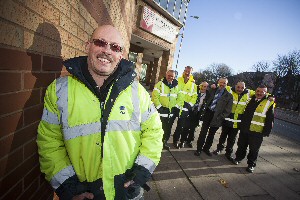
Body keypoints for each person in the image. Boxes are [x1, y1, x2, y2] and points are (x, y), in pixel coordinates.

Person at [37, 25, 163, 200]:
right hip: (83, 193)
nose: (107, 51)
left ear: (121, 55)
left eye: (115, 47)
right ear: (88, 45)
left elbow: (154, 132)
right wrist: (70, 187)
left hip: (126, 192)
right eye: (100, 43)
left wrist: (140, 173)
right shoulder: (59, 90)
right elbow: (49, 142)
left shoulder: (138, 92)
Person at [232, 85, 275, 173]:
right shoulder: (250, 99)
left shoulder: (269, 102)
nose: (259, 93)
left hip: (257, 131)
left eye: (262, 92)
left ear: (265, 93)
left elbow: (270, 118)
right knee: (241, 145)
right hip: (245, 128)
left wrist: (266, 131)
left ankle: (251, 164)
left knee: (254, 149)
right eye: (258, 91)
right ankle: (238, 158)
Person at [212, 81, 255, 160]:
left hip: (237, 122)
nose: (240, 89)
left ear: (245, 88)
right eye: (238, 87)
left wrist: (270, 96)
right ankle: (219, 149)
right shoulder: (229, 89)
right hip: (227, 119)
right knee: (223, 136)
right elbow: (221, 84)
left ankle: (228, 153)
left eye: (242, 88)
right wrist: (214, 84)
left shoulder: (249, 93)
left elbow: (262, 93)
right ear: (235, 86)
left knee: (232, 139)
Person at [194, 77, 233, 156]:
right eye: (221, 82)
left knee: (211, 134)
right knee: (203, 133)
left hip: (217, 117)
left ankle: (206, 149)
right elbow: (203, 88)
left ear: (226, 84)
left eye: (224, 83)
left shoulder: (228, 96)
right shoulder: (212, 90)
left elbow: (228, 110)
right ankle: (199, 149)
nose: (222, 84)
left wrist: (221, 117)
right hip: (208, 113)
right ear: (218, 82)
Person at [152, 70, 179, 150]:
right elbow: (155, 97)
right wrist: (160, 107)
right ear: (166, 75)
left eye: (172, 76)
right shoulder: (159, 84)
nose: (170, 77)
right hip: (162, 111)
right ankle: (157, 143)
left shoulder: (176, 86)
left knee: (168, 128)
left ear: (174, 77)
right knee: (159, 128)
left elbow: (179, 97)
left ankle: (164, 142)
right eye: (169, 75)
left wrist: (175, 107)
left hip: (171, 112)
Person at [172, 66, 198, 149]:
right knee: (169, 125)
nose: (187, 73)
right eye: (186, 71)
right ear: (183, 71)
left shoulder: (193, 85)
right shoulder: (177, 80)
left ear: (191, 73)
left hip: (185, 109)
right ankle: (167, 140)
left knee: (180, 127)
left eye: (189, 72)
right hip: (175, 107)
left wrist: (189, 105)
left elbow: (194, 97)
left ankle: (177, 141)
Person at [186, 81, 210, 147]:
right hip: (191, 111)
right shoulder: (195, 92)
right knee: (187, 126)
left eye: (205, 86)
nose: (203, 88)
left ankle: (189, 140)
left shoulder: (208, 95)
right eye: (202, 86)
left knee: (193, 127)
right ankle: (184, 138)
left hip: (199, 113)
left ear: (207, 88)